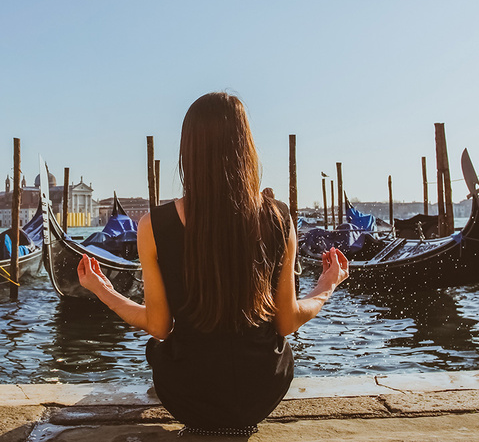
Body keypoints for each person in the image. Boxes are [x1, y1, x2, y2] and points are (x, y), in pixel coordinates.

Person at [77, 92, 349, 436]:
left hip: (188, 395)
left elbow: (159, 327)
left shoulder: (153, 225)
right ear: (246, 147)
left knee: (154, 348)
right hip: (262, 391)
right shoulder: (280, 217)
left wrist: (103, 290)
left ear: (188, 150)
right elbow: (287, 321)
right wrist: (327, 285)